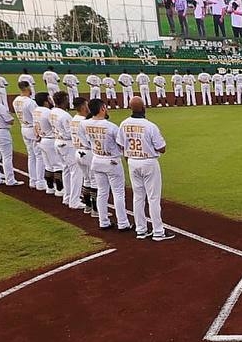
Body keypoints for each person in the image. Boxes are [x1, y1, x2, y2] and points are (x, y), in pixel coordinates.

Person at [119, 98, 172, 240]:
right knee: (153, 198)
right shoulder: (150, 126)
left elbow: (121, 145)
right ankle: (158, 232)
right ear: (143, 108)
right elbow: (162, 148)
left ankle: (141, 230)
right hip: (148, 162)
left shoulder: (123, 124)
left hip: (132, 162)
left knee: (138, 197)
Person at [84, 99, 132, 232]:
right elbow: (122, 144)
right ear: (102, 109)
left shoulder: (85, 124)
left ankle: (103, 221)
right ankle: (123, 223)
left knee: (102, 192)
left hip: (97, 159)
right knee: (118, 193)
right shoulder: (111, 126)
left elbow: (86, 141)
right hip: (111, 160)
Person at [50, 91, 81, 208]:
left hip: (57, 142)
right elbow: (70, 133)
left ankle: (67, 197)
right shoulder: (65, 115)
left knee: (66, 170)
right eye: (67, 99)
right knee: (75, 172)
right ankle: (74, 200)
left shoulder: (52, 112)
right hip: (67, 145)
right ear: (63, 101)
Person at [12, 80, 45, 192]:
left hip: (23, 127)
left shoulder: (16, 100)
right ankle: (40, 182)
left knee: (31, 155)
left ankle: (32, 180)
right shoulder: (30, 102)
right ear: (26, 88)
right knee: (39, 156)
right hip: (32, 128)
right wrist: (38, 132)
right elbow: (36, 118)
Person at [71, 96, 96, 215]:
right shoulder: (85, 122)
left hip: (77, 151)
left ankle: (88, 206)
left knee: (86, 179)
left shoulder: (74, 119)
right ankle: (96, 210)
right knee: (94, 180)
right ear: (82, 107)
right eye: (87, 105)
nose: (88, 107)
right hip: (88, 152)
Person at [34, 92, 61, 195]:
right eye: (49, 99)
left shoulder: (36, 110)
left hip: (41, 139)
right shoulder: (48, 112)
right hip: (50, 139)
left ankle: (50, 187)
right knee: (58, 166)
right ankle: (60, 190)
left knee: (48, 165)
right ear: (46, 101)